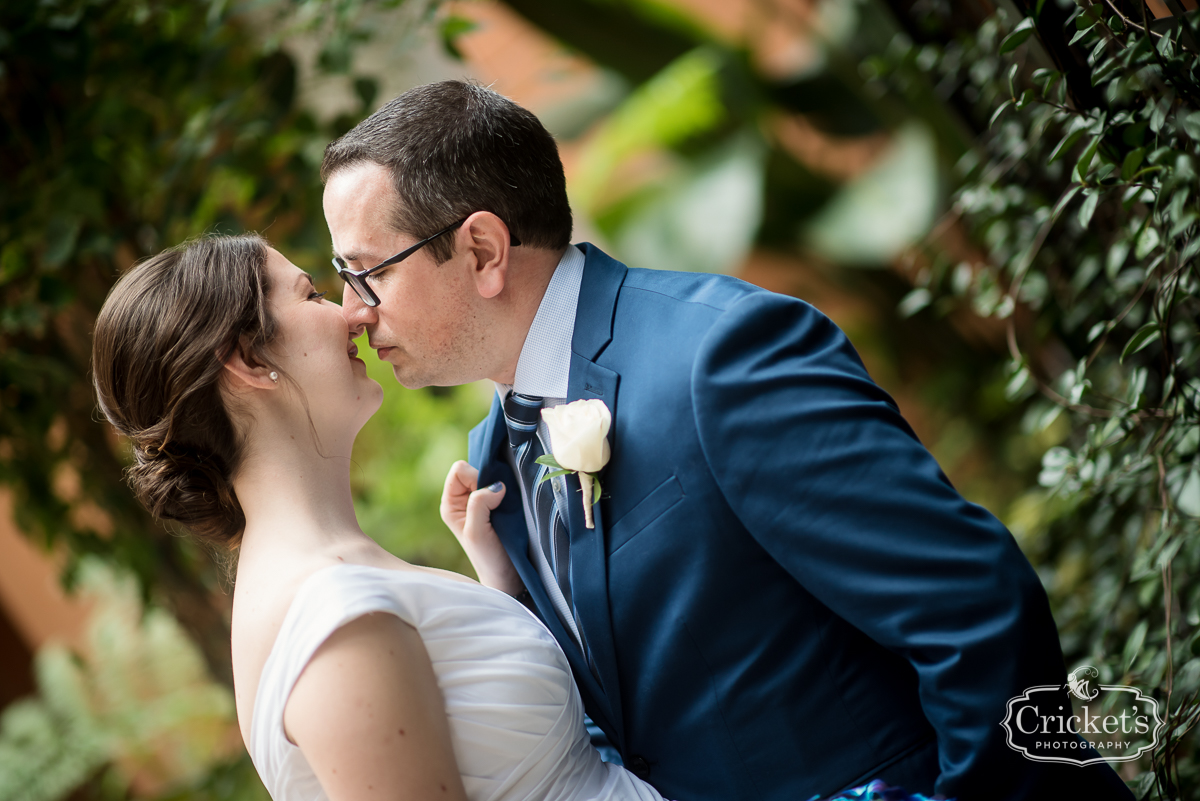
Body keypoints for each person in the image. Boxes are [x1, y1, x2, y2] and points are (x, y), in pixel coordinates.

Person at [321, 81, 1135, 801]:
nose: (353, 311)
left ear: (483, 251)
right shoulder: (497, 448)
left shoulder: (721, 357)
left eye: (368, 272)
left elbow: (974, 608)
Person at [89, 235, 674, 801]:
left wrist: (499, 592)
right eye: (312, 293)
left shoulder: (326, 580)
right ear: (248, 357)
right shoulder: (333, 620)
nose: (355, 312)